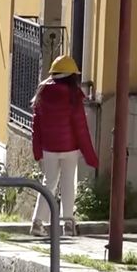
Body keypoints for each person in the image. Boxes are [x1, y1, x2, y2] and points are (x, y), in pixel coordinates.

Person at [30, 55, 99, 236]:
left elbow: (35, 126)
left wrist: (37, 151)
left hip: (49, 148)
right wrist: (91, 156)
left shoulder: (42, 92)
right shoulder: (73, 95)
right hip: (70, 148)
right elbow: (81, 128)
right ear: (71, 76)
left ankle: (37, 222)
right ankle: (68, 224)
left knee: (48, 184)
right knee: (68, 184)